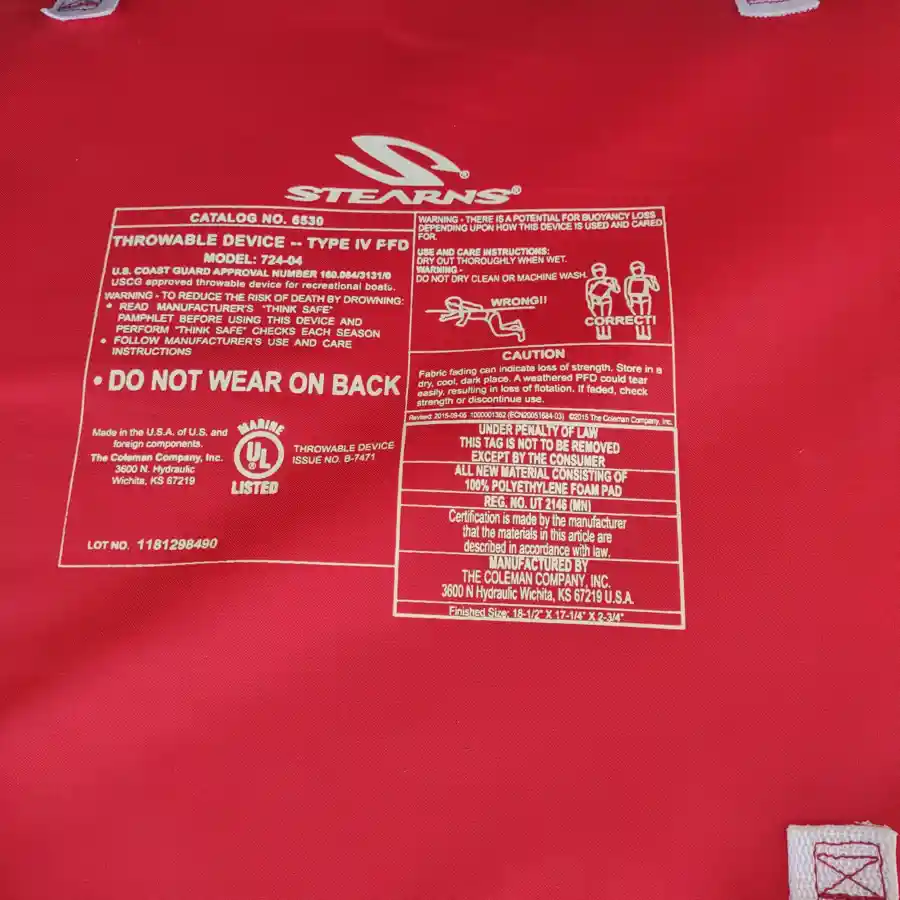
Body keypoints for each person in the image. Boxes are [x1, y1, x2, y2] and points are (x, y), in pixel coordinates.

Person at [623, 260, 660, 341]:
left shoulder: (647, 278)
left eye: (639, 269)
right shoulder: (629, 279)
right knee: (638, 318)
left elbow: (655, 288)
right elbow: (626, 291)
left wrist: (653, 280)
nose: (637, 271)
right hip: (634, 300)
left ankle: (646, 333)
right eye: (635, 269)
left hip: (645, 300)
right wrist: (628, 300)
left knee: (645, 317)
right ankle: (639, 333)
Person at [585, 262, 621, 340]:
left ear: (604, 270)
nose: (599, 272)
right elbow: (588, 294)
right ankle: (600, 333)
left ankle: (607, 333)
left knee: (606, 318)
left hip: (606, 301)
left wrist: (612, 284)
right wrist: (590, 304)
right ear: (593, 272)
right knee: (598, 319)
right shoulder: (591, 281)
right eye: (597, 271)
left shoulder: (610, 279)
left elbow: (617, 290)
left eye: (600, 270)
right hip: (595, 302)